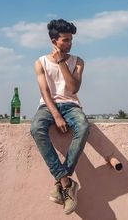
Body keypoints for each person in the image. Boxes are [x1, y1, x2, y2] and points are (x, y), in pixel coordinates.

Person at [30, 19, 89, 215]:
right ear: (54, 41)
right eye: (65, 40)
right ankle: (65, 181)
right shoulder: (41, 62)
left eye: (71, 39)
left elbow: (73, 88)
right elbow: (45, 91)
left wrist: (62, 61)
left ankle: (61, 182)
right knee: (36, 128)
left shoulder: (77, 61)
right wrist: (56, 115)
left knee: (83, 127)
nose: (70, 43)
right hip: (48, 106)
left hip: (71, 105)